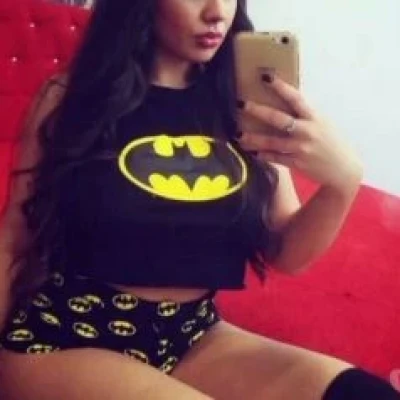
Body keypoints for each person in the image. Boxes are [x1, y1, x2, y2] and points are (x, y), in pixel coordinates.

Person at [0, 0, 398, 399]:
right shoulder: (69, 99)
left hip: (192, 335)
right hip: (67, 334)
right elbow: (14, 239)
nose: (216, 12)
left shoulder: (244, 108)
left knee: (365, 395)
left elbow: (286, 254)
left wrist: (342, 184)